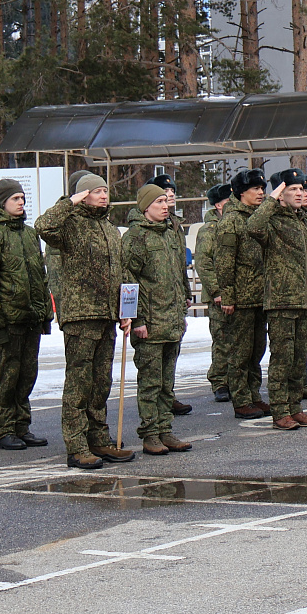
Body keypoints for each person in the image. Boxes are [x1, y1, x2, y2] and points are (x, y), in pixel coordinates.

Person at [38, 173, 130, 468]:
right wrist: (70, 201)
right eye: (96, 191)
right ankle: (76, 445)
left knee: (101, 382)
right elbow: (43, 226)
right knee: (79, 382)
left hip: (107, 313)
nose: (104, 195)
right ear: (83, 195)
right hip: (81, 314)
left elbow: (121, 272)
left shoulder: (109, 229)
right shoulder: (69, 225)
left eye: (105, 190)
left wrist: (127, 311)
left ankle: (99, 439)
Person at [0, 177, 52, 451]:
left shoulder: (30, 235)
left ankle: (22, 426)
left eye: (21, 198)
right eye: (14, 199)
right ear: (1, 202)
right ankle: (4, 428)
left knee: (27, 375)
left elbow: (41, 278)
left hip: (30, 320)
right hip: (8, 321)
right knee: (7, 376)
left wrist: (45, 314)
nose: (21, 202)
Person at [122, 182, 195, 453]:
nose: (165, 206)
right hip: (150, 323)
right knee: (151, 382)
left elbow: (179, 272)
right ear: (145, 207)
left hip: (171, 319)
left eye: (166, 201)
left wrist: (182, 307)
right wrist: (137, 319)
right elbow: (128, 280)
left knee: (167, 383)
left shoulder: (170, 233)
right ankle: (150, 432)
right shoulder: (135, 237)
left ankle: (166, 429)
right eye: (158, 203)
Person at [247, 169, 307, 429]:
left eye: (302, 189)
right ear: (280, 194)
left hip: (303, 299)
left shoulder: (304, 220)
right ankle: (280, 410)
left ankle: (295, 406)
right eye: (293, 189)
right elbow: (253, 227)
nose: (300, 193)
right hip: (281, 299)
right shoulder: (272, 220)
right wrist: (272, 198)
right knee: (282, 358)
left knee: (300, 357)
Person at [215, 169, 271, 419]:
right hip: (241, 297)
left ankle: (254, 395)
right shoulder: (231, 220)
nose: (261, 193)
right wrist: (228, 296)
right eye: (255, 189)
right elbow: (224, 261)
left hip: (261, 295)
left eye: (262, 189)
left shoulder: (260, 217)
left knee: (257, 349)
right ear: (240, 193)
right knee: (240, 351)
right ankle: (241, 398)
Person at [195, 183, 233, 403]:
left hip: (236, 294)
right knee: (221, 340)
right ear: (218, 205)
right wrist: (217, 291)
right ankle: (219, 381)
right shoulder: (209, 230)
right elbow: (203, 262)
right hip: (218, 296)